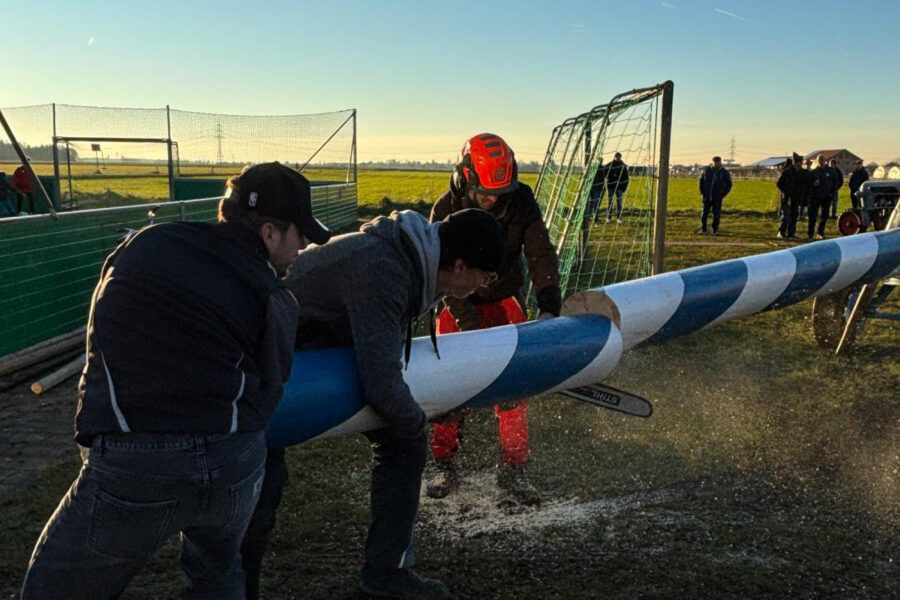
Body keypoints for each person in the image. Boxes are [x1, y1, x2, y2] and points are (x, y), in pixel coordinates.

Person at [20, 162, 330, 600]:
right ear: (269, 233)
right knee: (219, 573)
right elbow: (270, 390)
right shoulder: (275, 296)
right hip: (232, 459)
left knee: (57, 588)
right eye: (301, 236)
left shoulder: (147, 245)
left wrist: (92, 440)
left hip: (134, 460)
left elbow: (101, 337)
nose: (302, 248)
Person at [242, 208, 505, 600]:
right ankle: (237, 588)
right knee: (261, 481)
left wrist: (423, 407)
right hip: (256, 365)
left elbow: (381, 357)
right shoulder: (385, 269)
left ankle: (387, 572)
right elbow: (380, 381)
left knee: (404, 438)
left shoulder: (413, 261)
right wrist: (417, 415)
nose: (486, 285)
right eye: (487, 276)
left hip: (312, 350)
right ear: (460, 264)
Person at [425, 133, 561, 506]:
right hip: (457, 303)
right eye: (485, 192)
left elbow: (540, 252)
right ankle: (444, 463)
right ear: (464, 177)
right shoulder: (444, 209)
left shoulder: (521, 202)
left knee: (513, 389)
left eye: (499, 192)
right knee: (447, 386)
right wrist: (470, 325)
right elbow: (439, 275)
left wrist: (549, 302)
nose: (493, 199)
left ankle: (514, 469)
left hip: (503, 298)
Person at [697, 155, 732, 235]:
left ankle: (714, 230)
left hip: (717, 197)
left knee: (716, 215)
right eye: (715, 162)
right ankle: (703, 229)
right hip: (707, 196)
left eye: (718, 162)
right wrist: (702, 193)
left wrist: (722, 194)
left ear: (720, 162)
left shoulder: (724, 173)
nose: (716, 164)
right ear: (712, 162)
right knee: (704, 213)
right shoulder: (707, 170)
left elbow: (729, 185)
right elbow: (701, 182)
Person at [807, 154, 838, 240]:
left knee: (824, 215)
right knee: (813, 215)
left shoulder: (831, 171)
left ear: (825, 161)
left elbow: (836, 182)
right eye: (819, 160)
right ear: (817, 161)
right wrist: (813, 184)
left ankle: (820, 232)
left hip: (827, 197)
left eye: (823, 160)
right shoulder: (814, 172)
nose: (821, 162)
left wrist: (832, 193)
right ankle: (810, 233)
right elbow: (808, 184)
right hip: (816, 197)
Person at [776, 152, 806, 239]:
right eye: (800, 162)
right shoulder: (787, 172)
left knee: (794, 215)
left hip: (796, 198)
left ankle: (791, 233)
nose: (801, 164)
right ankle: (781, 232)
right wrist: (786, 192)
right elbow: (779, 184)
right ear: (796, 163)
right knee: (786, 216)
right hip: (787, 198)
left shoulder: (800, 173)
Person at [604, 151, 630, 223]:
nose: (618, 158)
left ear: (620, 157)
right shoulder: (610, 165)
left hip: (619, 187)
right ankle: (608, 217)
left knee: (619, 202)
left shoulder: (623, 166)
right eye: (616, 157)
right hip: (611, 186)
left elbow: (626, 178)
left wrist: (623, 187)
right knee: (610, 202)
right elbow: (604, 172)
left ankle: (619, 217)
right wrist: (609, 177)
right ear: (614, 157)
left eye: (619, 157)